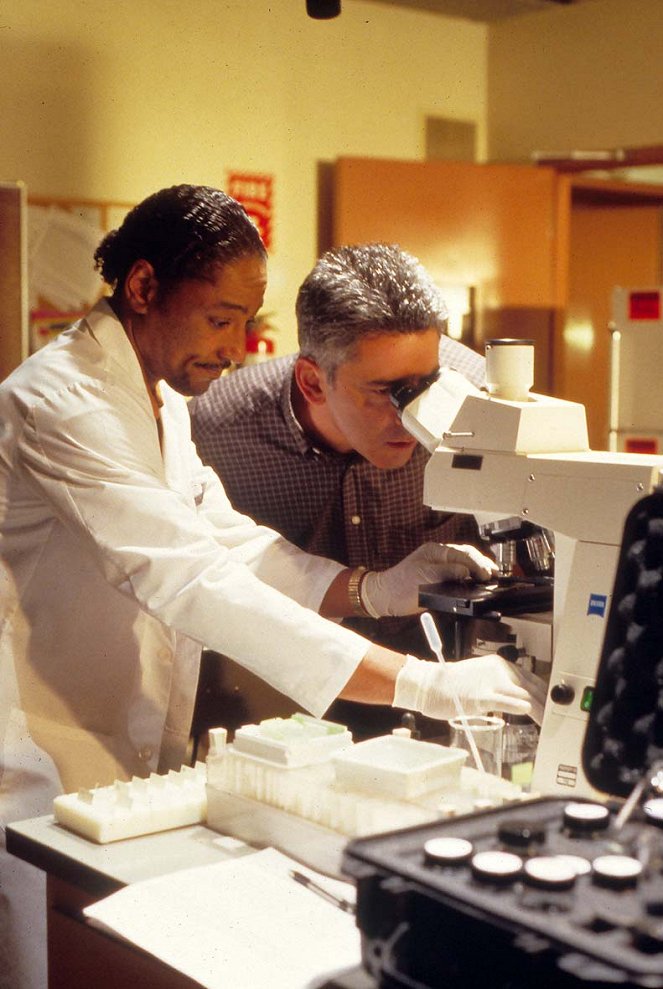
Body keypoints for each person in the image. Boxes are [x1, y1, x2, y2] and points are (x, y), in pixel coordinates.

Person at [0, 186, 539, 988]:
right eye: (219, 318)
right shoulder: (59, 399)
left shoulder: (157, 398)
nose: (235, 346)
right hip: (35, 757)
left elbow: (227, 540)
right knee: (50, 961)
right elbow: (193, 579)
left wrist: (372, 589)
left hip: (126, 748)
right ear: (144, 288)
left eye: (246, 322)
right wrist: (419, 681)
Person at [189, 243, 487, 733]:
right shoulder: (217, 427)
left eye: (426, 384)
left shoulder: (478, 396)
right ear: (311, 382)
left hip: (451, 688)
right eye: (386, 392)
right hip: (283, 707)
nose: (413, 414)